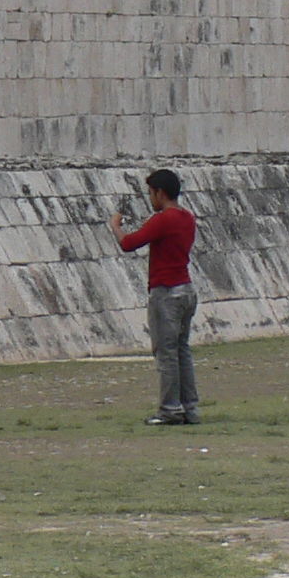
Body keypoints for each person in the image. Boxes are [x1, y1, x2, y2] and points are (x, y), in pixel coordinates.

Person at [112, 168, 199, 425]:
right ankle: (189, 408)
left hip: (166, 291)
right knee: (182, 351)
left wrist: (115, 226)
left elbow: (129, 244)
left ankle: (170, 409)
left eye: (151, 193)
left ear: (160, 193)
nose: (151, 198)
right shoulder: (187, 218)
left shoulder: (163, 219)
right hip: (186, 289)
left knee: (166, 353)